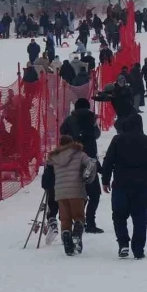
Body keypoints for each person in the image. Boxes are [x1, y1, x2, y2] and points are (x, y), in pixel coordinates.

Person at [102, 114, 147, 259]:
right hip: (142, 186)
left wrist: (105, 180)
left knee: (118, 215)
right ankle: (138, 249)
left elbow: (108, 161)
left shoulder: (117, 140)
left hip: (120, 185)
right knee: (140, 218)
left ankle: (123, 243)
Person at [47, 135, 96, 256]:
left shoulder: (54, 157)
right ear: (72, 142)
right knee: (79, 216)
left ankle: (67, 241)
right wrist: (87, 177)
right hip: (76, 190)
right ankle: (77, 233)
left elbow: (47, 171)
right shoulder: (79, 154)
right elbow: (91, 163)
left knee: (65, 219)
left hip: (60, 192)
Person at [60, 98, 103, 233]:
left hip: (73, 161)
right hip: (89, 161)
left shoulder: (69, 119)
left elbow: (62, 132)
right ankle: (90, 222)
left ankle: (78, 220)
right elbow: (97, 134)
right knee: (94, 194)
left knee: (78, 192)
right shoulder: (92, 118)